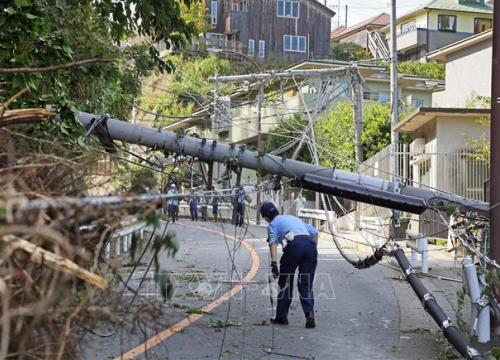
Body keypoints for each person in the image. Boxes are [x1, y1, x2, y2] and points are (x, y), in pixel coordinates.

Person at [260, 202, 318, 329]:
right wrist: (312, 249)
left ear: (266, 217)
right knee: (306, 283)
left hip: (294, 246)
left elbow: (273, 243)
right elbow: (314, 232)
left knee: (285, 282)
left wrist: (274, 263)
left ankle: (281, 317)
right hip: (310, 246)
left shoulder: (272, 225)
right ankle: (309, 314)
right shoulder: (292, 218)